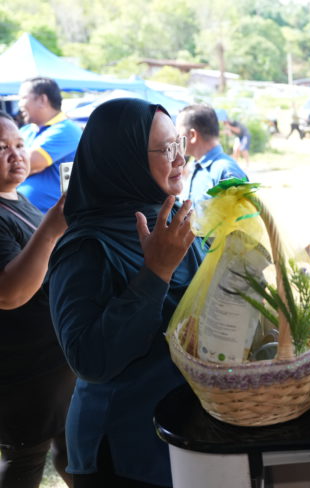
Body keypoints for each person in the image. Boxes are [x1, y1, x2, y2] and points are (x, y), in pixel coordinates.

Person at [47, 99, 203, 487]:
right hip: (121, 450)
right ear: (123, 157)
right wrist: (156, 273)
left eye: (180, 143)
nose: (180, 158)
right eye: (166, 149)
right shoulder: (85, 247)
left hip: (184, 436)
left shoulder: (172, 218)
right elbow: (89, 360)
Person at [0, 112, 74, 488]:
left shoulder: (19, 200)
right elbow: (10, 293)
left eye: (19, 144)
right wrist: (51, 230)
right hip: (24, 371)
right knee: (26, 457)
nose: (16, 154)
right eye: (1, 148)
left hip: (52, 361)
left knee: (70, 446)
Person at [16, 77, 81, 213]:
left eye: (23, 98)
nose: (19, 104)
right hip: (21, 213)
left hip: (47, 218)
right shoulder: (25, 130)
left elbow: (29, 163)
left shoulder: (67, 130)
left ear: (42, 100)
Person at [175, 104, 248, 204]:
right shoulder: (197, 166)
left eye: (178, 132)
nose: (176, 138)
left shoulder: (227, 172)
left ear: (192, 135)